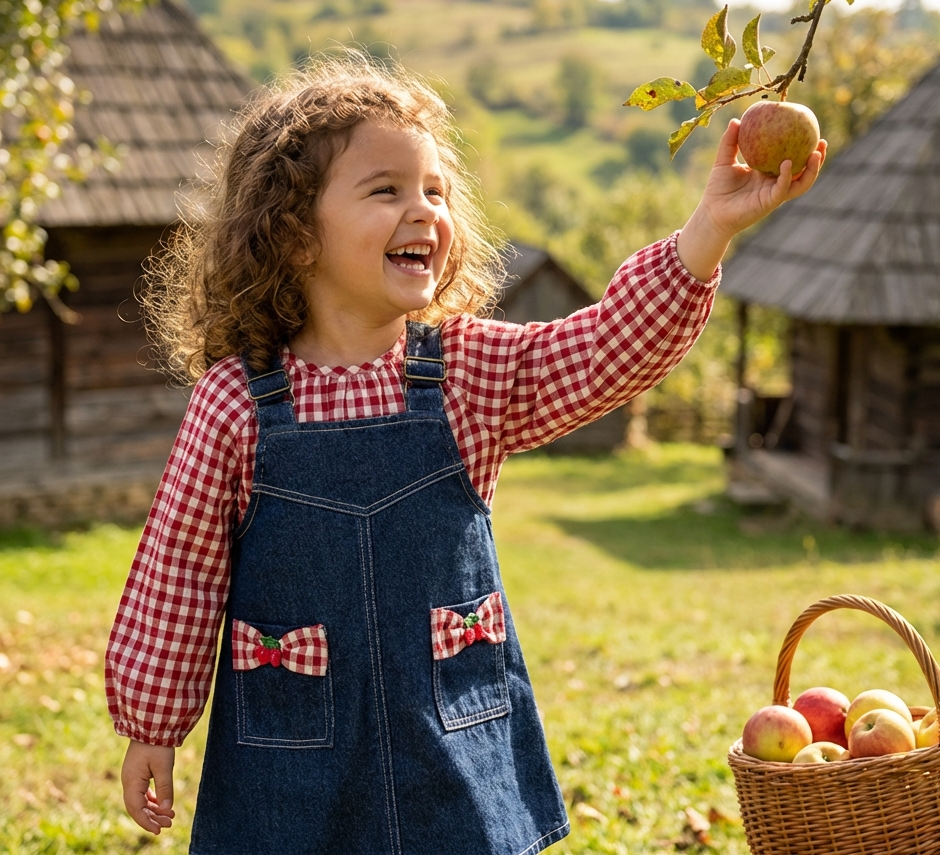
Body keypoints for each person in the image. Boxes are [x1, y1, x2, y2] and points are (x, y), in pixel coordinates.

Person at [105, 55, 825, 855]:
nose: (423, 210)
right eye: (386, 190)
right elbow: (179, 572)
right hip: (292, 761)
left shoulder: (464, 373)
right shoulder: (236, 402)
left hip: (454, 747)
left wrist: (709, 230)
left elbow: (602, 352)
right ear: (294, 233)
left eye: (436, 190)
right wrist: (153, 725)